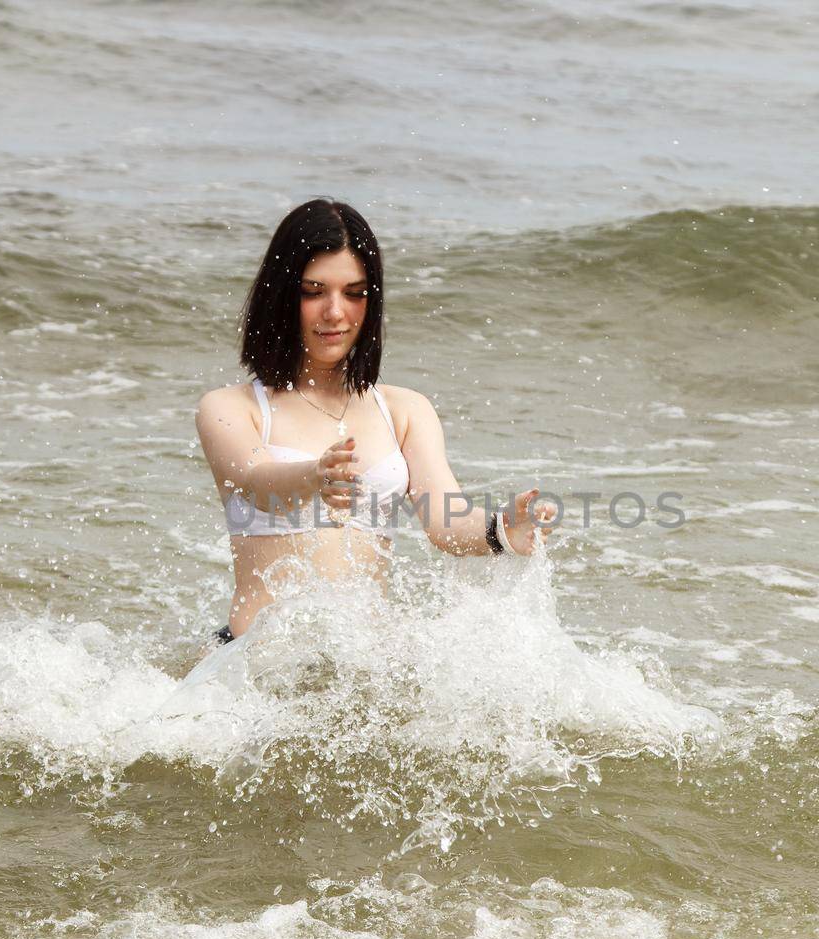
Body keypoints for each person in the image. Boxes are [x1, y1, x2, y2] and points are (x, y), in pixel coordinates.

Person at [194, 198, 557, 644]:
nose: (335, 312)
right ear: (282, 295)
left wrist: (502, 529)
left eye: (354, 292)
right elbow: (254, 482)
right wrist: (313, 477)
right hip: (260, 666)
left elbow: (446, 523)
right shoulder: (232, 407)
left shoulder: (404, 410)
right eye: (313, 291)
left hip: (364, 668)